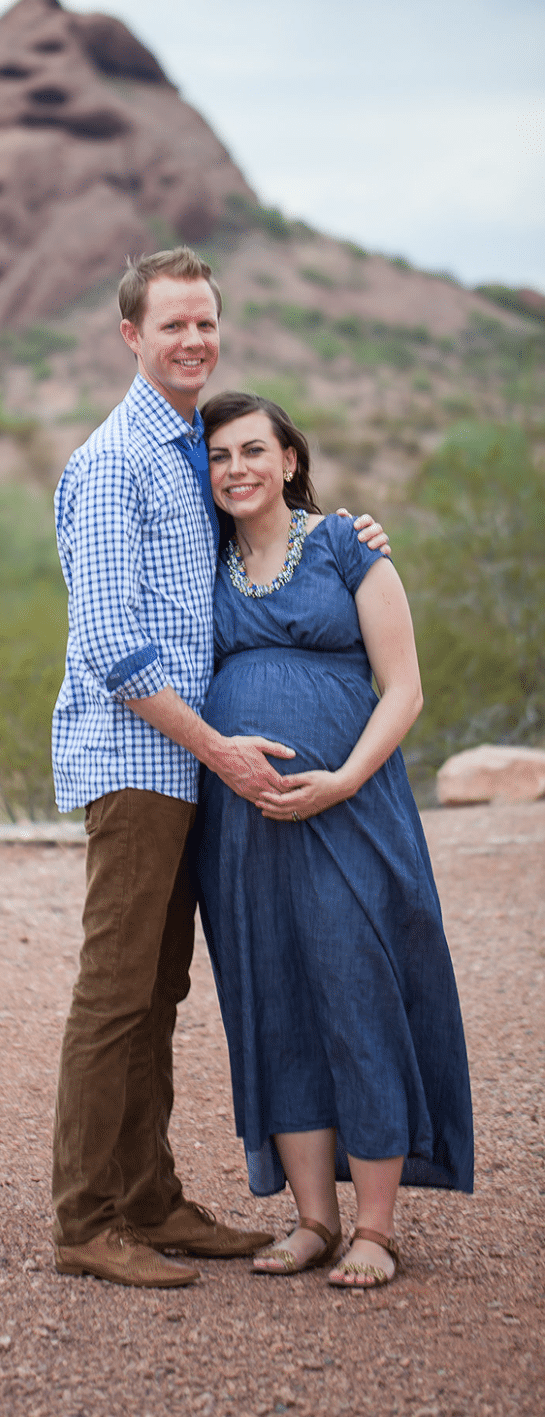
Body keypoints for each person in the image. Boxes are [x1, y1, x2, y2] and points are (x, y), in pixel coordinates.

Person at [49, 247, 389, 1289]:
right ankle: (86, 1220)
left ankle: (146, 1197)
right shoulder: (113, 461)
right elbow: (111, 645)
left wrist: (348, 536)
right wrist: (218, 750)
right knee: (116, 993)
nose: (191, 340)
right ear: (129, 338)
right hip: (141, 758)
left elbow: (258, 536)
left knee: (158, 989)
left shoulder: (186, 448)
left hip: (187, 770)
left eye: (203, 323)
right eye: (170, 326)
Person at [196, 390, 474, 1287]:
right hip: (243, 826)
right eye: (218, 457)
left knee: (360, 989)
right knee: (271, 998)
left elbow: (404, 688)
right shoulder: (201, 564)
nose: (235, 469)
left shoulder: (346, 547)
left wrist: (344, 779)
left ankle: (377, 1228)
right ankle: (313, 1219)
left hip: (351, 810)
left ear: (286, 460)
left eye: (251, 451)